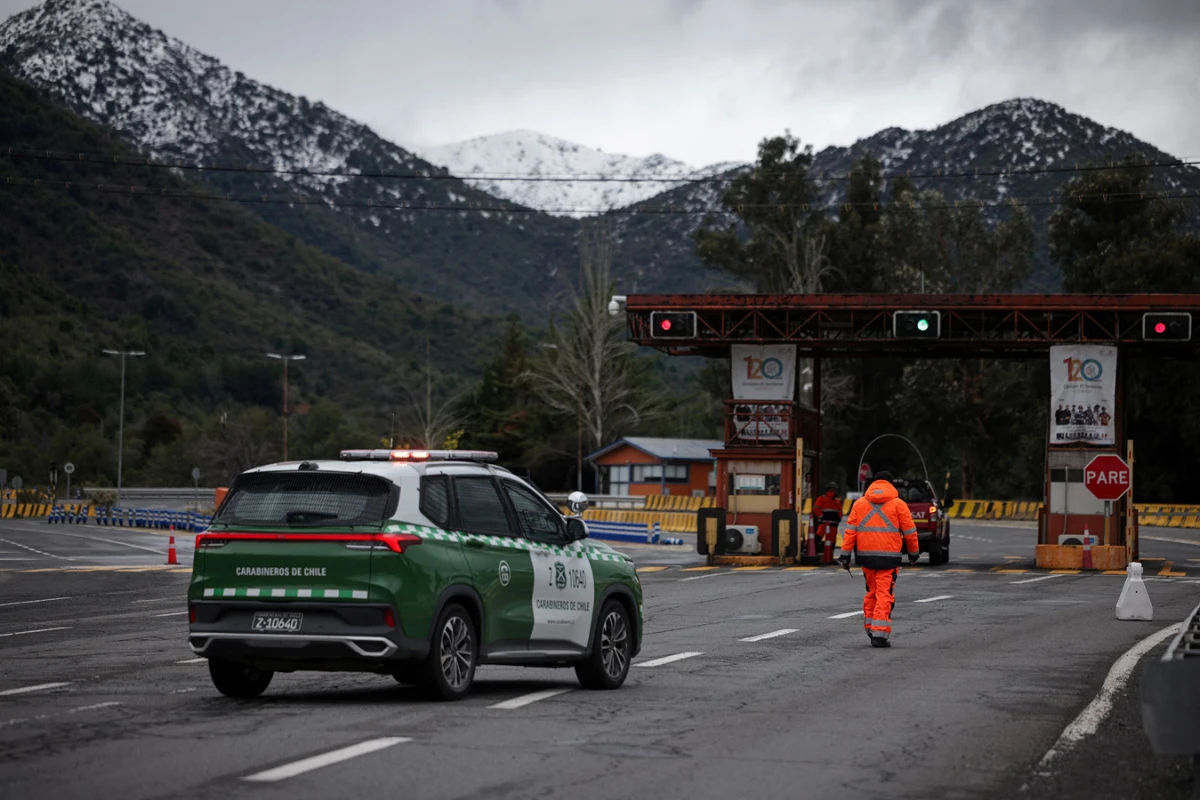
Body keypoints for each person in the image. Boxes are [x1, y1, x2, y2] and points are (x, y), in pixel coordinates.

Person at [838, 471, 919, 648]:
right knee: (884, 594)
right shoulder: (899, 505)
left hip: (866, 558)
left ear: (874, 484)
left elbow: (850, 531)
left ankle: (870, 627)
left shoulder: (859, 504)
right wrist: (913, 553)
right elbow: (910, 533)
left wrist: (845, 556)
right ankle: (879, 634)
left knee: (872, 592)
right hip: (889, 559)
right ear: (890, 484)